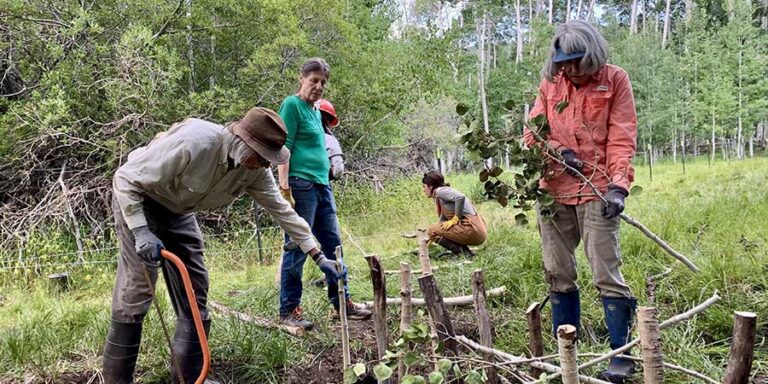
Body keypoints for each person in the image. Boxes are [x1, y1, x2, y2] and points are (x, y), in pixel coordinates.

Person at [104, 107, 344, 384]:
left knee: (195, 289)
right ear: (245, 144)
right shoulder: (195, 142)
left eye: (271, 160)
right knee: (136, 290)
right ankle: (117, 380)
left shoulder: (253, 170)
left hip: (179, 212)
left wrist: (318, 255)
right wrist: (141, 231)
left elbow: (284, 212)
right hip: (140, 201)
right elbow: (124, 179)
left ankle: (191, 376)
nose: (267, 165)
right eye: (263, 158)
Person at [524, 20, 638, 383]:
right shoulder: (549, 84)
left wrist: (618, 187)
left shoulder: (615, 80)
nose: (569, 69)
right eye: (563, 62)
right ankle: (566, 350)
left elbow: (622, 137)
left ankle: (620, 355)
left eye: (576, 61)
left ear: (591, 56)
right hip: (553, 189)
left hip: (598, 189)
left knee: (607, 271)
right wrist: (559, 153)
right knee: (557, 270)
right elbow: (533, 134)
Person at [277, 58, 371, 329]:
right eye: (314, 80)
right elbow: (285, 148)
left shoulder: (316, 111)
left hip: (322, 185)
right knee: (297, 245)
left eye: (323, 83)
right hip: (301, 185)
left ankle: (342, 303)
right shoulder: (292, 105)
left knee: (333, 244)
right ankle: (289, 310)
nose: (318, 86)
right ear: (301, 78)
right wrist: (285, 189)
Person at [422, 170, 487, 257]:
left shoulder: (440, 191)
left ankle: (463, 253)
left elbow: (460, 197)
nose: (423, 190)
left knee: (431, 229)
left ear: (430, 187)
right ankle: (466, 252)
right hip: (478, 231)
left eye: (424, 187)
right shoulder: (441, 195)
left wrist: (455, 218)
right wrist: (432, 237)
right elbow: (442, 222)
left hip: (473, 229)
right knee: (433, 230)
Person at [316, 98, 345, 181]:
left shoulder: (299, 137)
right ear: (328, 121)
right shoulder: (329, 140)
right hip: (320, 185)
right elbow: (338, 170)